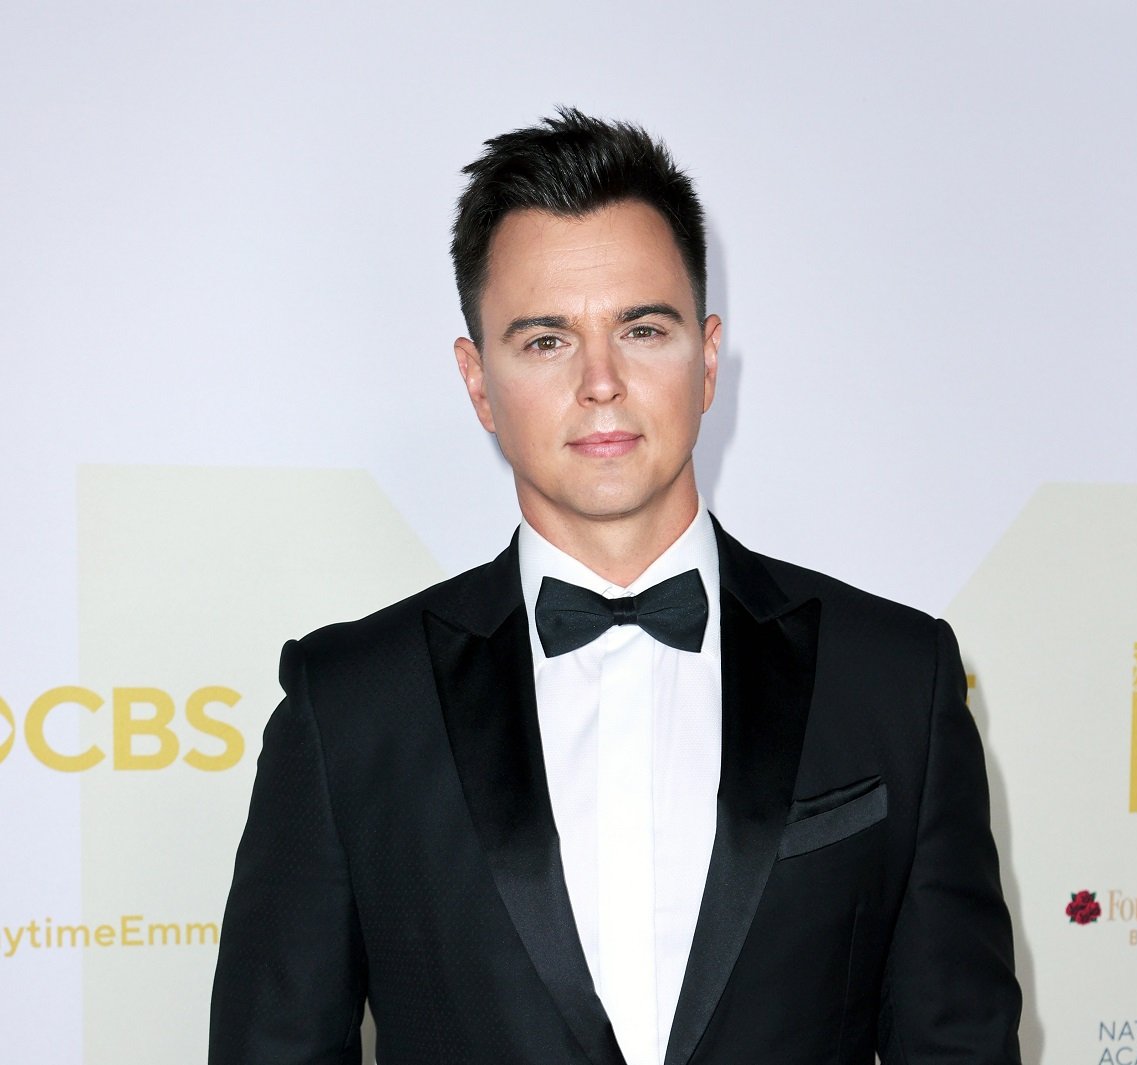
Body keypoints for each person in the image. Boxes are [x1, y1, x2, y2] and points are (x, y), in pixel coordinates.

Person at [209, 107, 1022, 1065]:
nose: (600, 381)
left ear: (707, 358)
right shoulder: (349, 704)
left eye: (641, 328)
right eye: (545, 340)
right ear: (478, 383)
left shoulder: (895, 679)